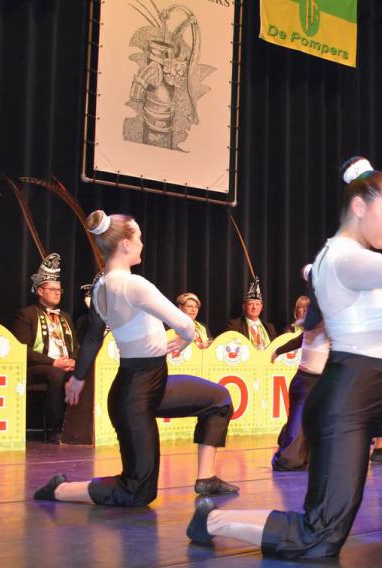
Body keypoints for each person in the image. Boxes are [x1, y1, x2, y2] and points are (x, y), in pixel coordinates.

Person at [188, 156, 382, 559]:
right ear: (359, 207)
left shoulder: (353, 258)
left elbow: (326, 293)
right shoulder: (344, 257)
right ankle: (211, 520)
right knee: (321, 536)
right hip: (347, 400)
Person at [32, 210, 237, 507]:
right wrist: (186, 337)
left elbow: (92, 339)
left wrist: (78, 378)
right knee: (138, 490)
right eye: (138, 237)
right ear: (126, 244)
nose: (142, 243)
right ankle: (60, 489)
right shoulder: (134, 285)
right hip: (135, 396)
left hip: (148, 385)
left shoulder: (101, 287)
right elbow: (184, 323)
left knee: (218, 400)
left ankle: (206, 478)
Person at [270, 265, 382, 472]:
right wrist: (278, 350)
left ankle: (304, 437)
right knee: (290, 460)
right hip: (305, 382)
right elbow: (307, 271)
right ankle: (290, 434)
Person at [12, 253, 76, 443]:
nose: (57, 293)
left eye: (59, 289)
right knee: (56, 374)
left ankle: (81, 429)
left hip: (65, 365)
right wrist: (54, 362)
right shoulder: (27, 315)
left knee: (86, 370)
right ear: (40, 291)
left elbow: (77, 345)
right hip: (37, 368)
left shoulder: (65, 316)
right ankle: (53, 429)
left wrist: (73, 360)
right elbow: (22, 350)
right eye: (52, 289)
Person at [225, 280, 276, 349]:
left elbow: (275, 348)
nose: (254, 307)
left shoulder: (269, 327)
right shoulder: (234, 325)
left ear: (261, 307)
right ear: (244, 306)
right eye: (250, 304)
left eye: (257, 304)